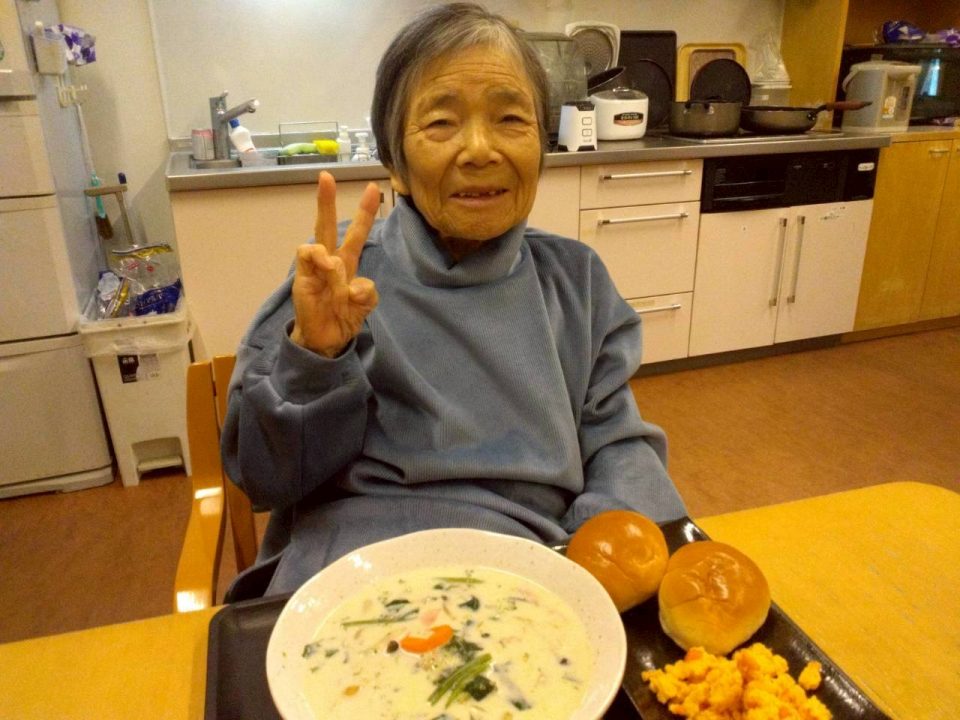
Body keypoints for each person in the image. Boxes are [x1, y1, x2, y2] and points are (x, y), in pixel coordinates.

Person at [221, 2, 686, 597]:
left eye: (510, 119)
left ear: (541, 149)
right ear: (395, 164)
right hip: (349, 571)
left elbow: (619, 448)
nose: (480, 150)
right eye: (441, 123)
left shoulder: (577, 282)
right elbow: (265, 479)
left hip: (530, 569)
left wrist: (589, 566)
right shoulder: (339, 277)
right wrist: (314, 359)